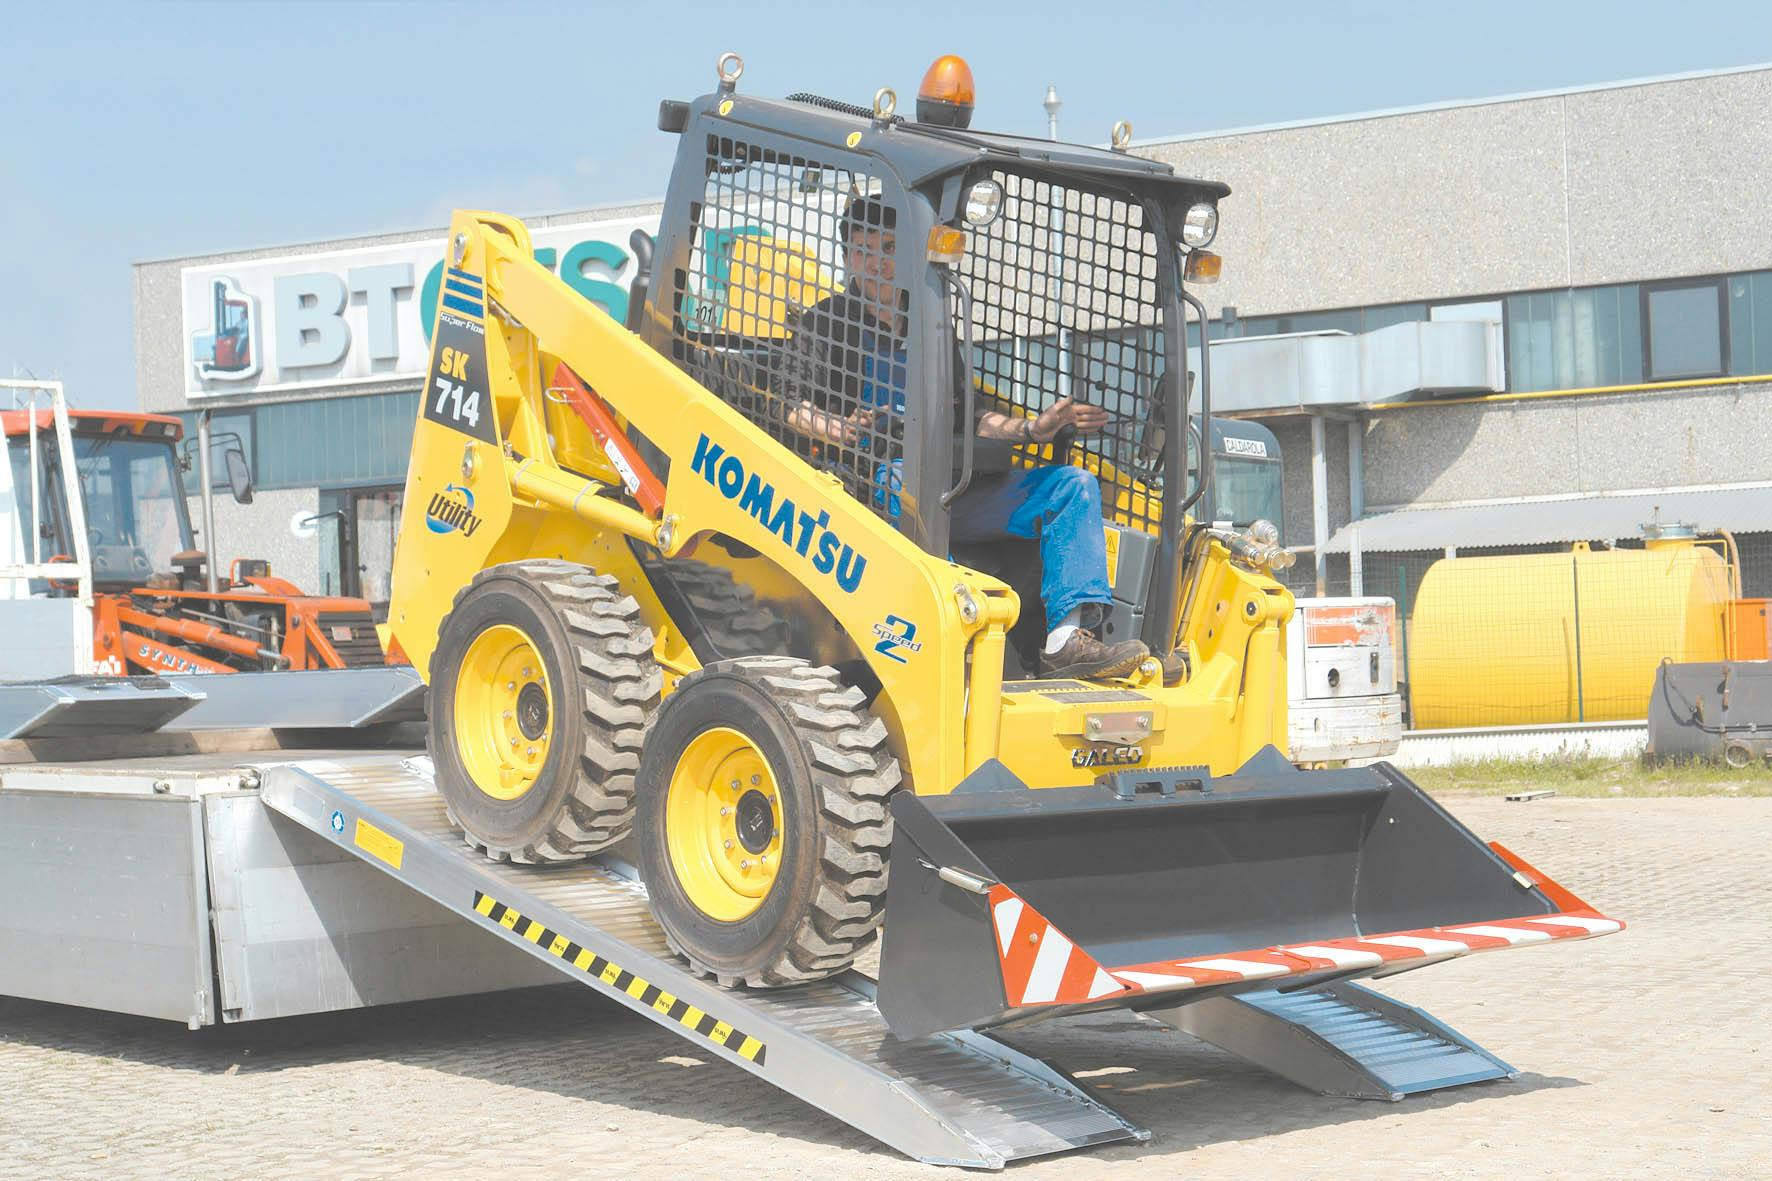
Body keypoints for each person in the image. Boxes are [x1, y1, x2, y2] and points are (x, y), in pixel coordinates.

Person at [778, 196, 1149, 680]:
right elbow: (789, 405)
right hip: (877, 486)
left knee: (1073, 485)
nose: (877, 262)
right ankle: (954, 630)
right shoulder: (826, 324)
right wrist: (840, 429)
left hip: (955, 486)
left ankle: (1064, 641)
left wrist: (1032, 429)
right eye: (863, 250)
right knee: (899, 482)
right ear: (847, 257)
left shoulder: (930, 327)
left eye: (888, 247)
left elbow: (970, 416)